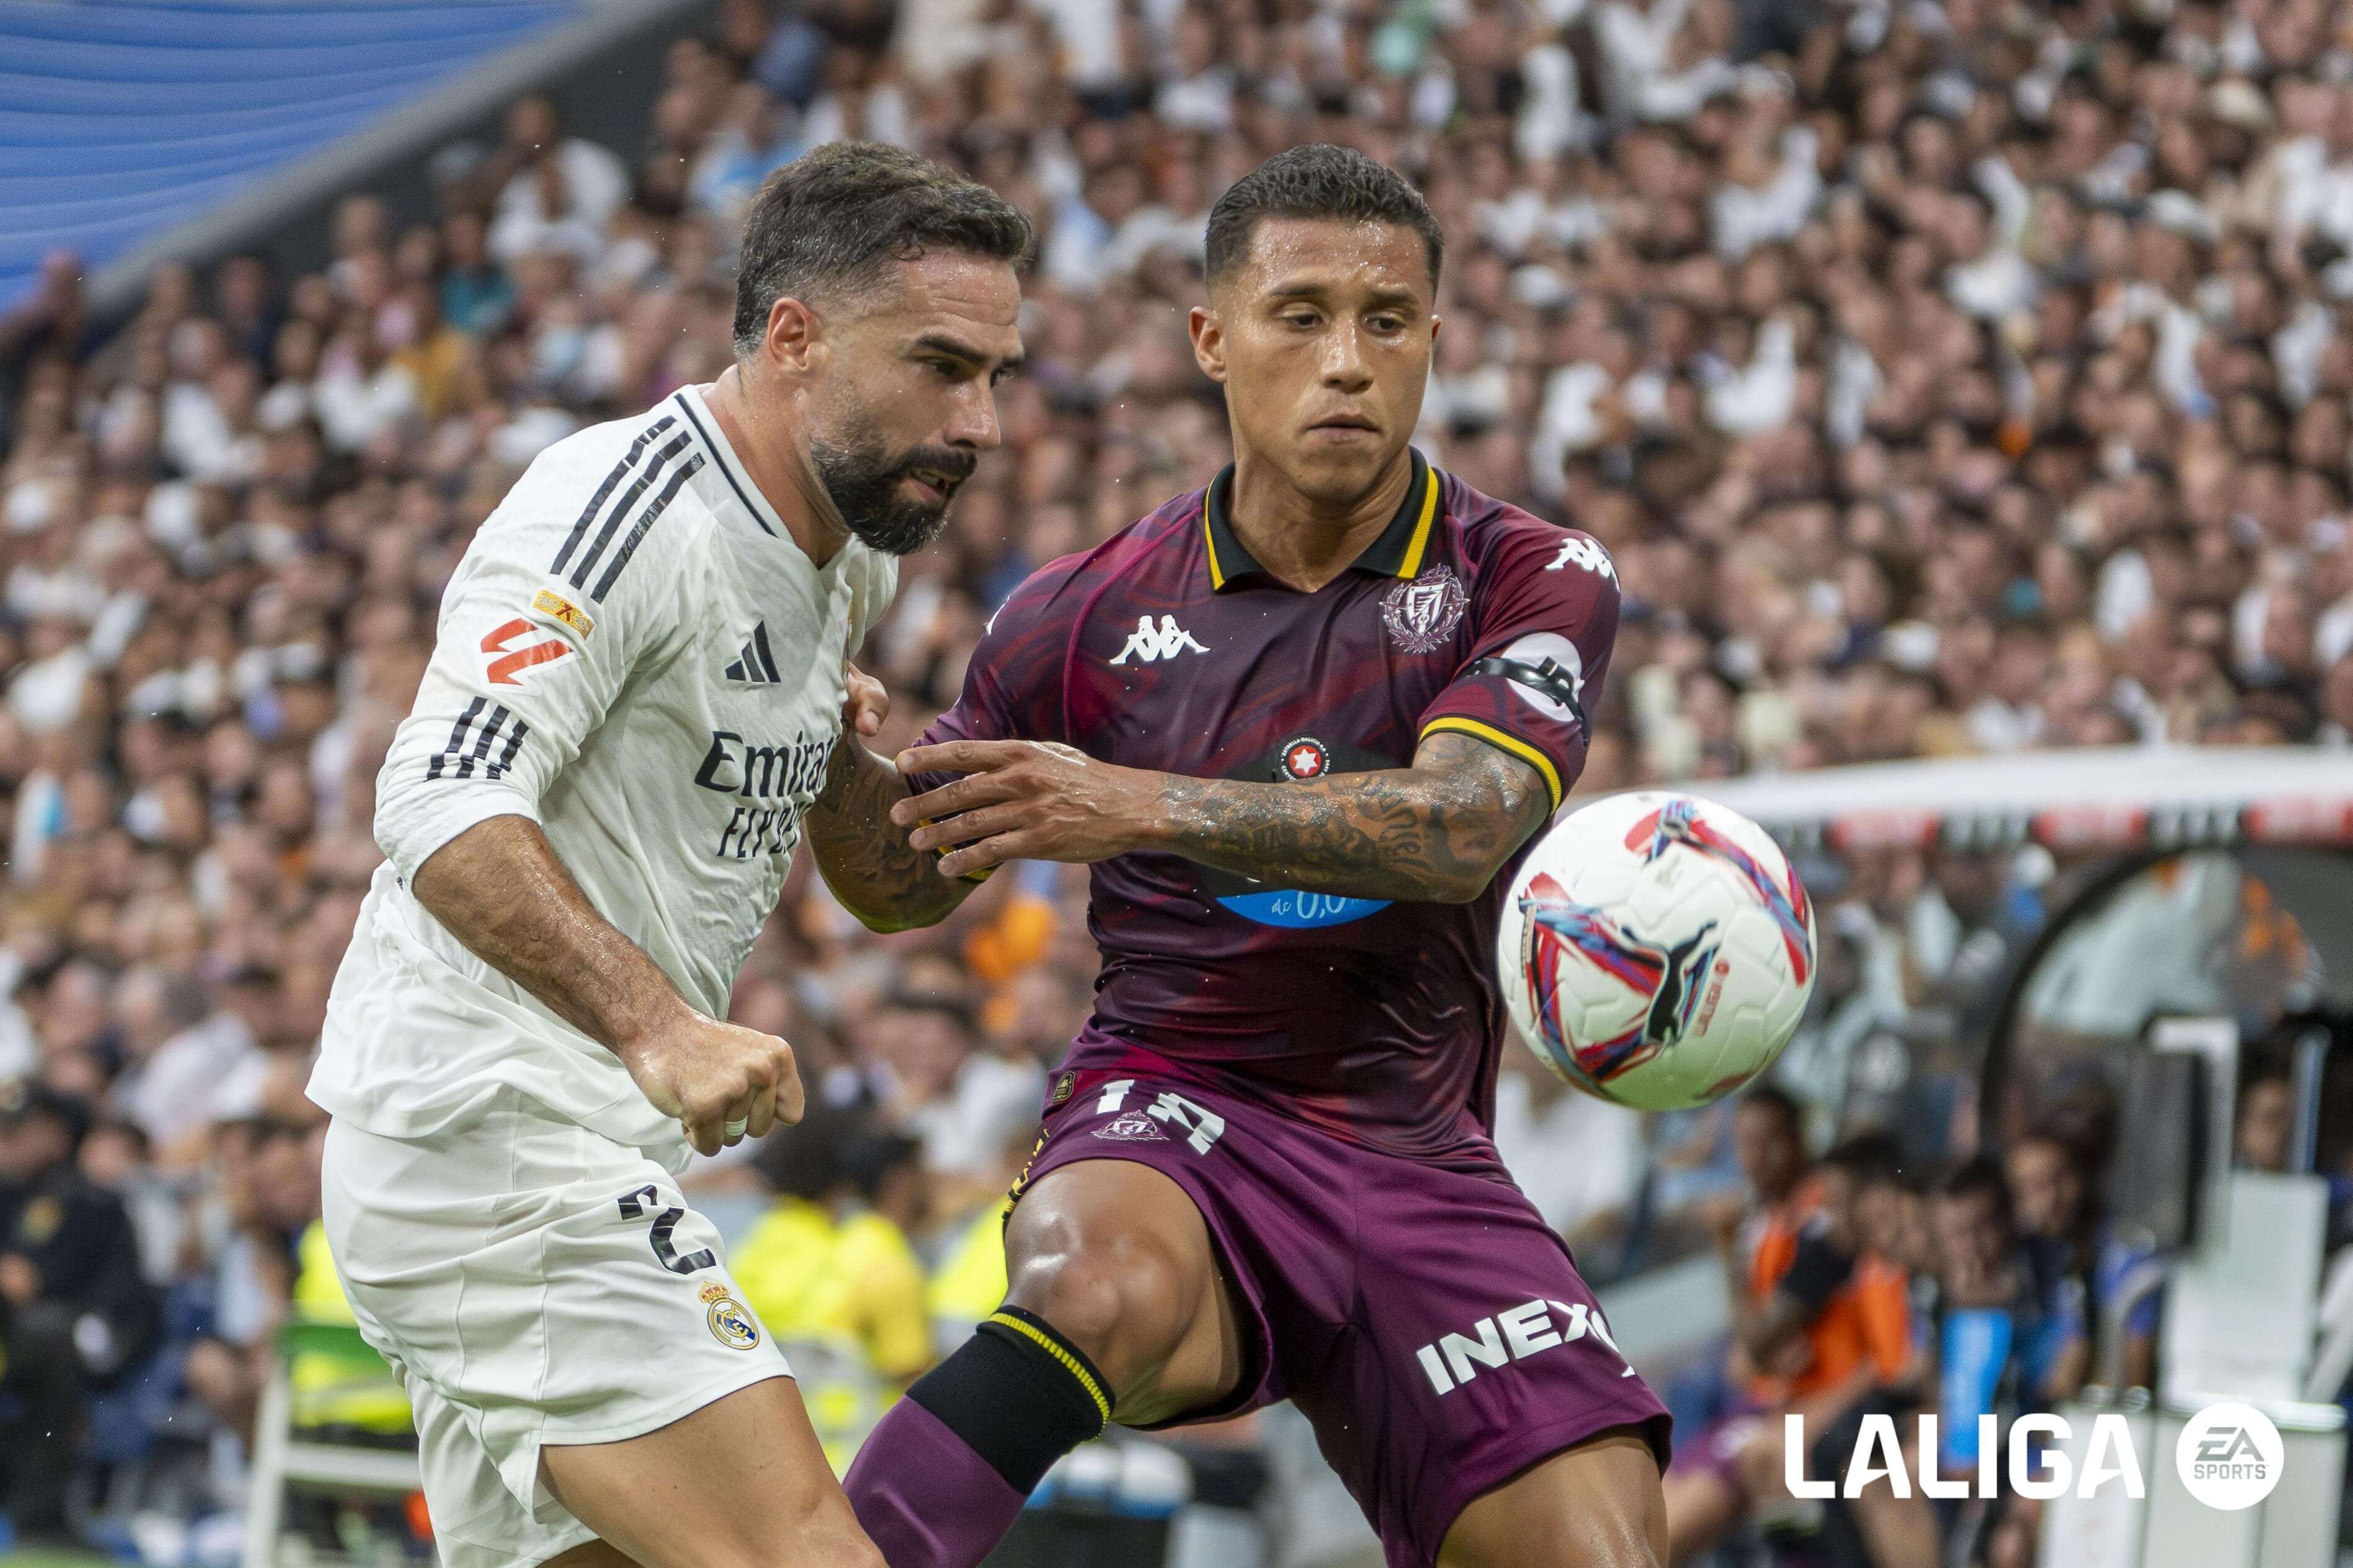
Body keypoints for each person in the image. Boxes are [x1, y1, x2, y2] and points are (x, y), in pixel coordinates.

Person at [816, 145, 1671, 1568]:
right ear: (1211, 339)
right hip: (1175, 1104)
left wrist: (1138, 806)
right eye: (1300, 316)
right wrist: (821, 754)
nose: (1346, 362)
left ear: (1432, 340)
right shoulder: (1075, 614)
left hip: (1417, 1153)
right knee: (1090, 1286)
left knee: (1602, 1551)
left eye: (1384, 322)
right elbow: (898, 884)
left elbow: (1460, 828)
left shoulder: (1527, 574)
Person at [305, 142, 1031, 1568]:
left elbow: (879, 889)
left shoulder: (850, 552)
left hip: (548, 1155)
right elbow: (438, 797)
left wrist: (956, 785)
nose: (981, 423)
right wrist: (658, 1026)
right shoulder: (621, 507)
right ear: (793, 339)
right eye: (941, 367)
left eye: (995, 376)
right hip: (492, 1141)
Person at [0, 1080, 158, 1537]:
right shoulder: (12, 1192)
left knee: (49, 1341)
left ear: (57, 1133)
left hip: (80, 1341)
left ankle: (39, 1513)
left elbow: (24, 1282)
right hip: (22, 1338)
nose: (8, 1141)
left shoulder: (84, 1201)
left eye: (20, 1130)